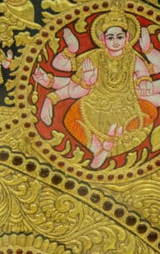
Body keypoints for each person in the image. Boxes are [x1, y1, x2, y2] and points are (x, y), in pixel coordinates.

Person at [33, 9, 159, 168]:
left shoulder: (132, 57)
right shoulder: (94, 57)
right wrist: (87, 82)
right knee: (70, 119)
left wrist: (144, 81)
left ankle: (119, 133)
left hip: (125, 103)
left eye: (119, 37)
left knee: (149, 111)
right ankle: (99, 150)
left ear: (127, 37)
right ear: (102, 39)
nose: (115, 41)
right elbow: (73, 88)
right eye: (110, 37)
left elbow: (142, 72)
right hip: (95, 103)